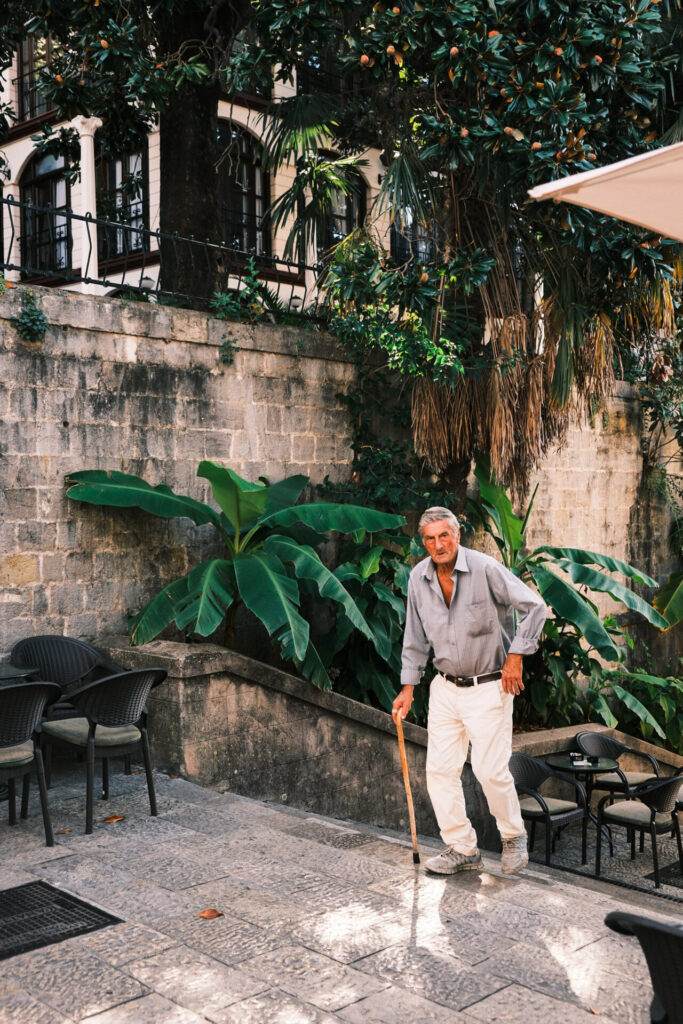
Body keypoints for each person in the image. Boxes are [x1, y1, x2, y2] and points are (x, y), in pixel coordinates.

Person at [392, 506, 546, 875]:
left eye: (444, 535)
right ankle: (462, 847)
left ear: (457, 535)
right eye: (430, 538)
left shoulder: (485, 568)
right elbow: (414, 635)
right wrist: (408, 687)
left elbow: (535, 607)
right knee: (440, 772)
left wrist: (516, 656)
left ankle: (512, 837)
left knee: (490, 770)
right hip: (445, 688)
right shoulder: (419, 577)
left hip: (489, 686)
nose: (437, 544)